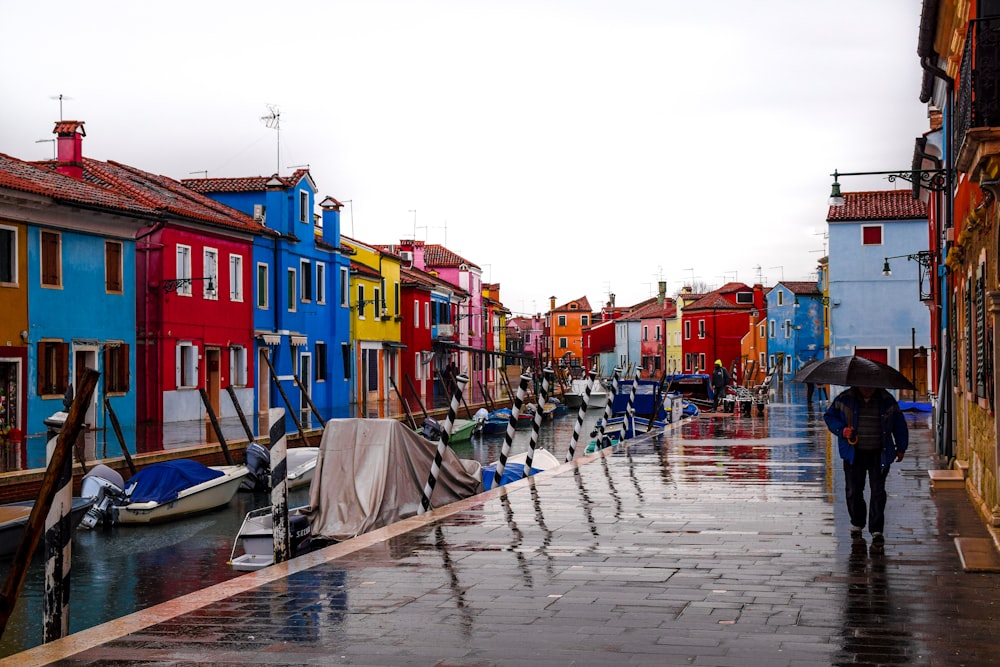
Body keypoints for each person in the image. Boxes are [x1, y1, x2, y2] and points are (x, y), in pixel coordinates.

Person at [824, 385, 908, 551]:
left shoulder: (886, 400)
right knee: (853, 490)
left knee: (878, 491)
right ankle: (857, 522)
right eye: (864, 385)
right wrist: (842, 430)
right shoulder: (844, 399)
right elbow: (829, 417)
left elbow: (899, 423)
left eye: (870, 386)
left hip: (880, 453)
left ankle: (876, 530)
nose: (867, 389)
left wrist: (901, 447)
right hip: (854, 453)